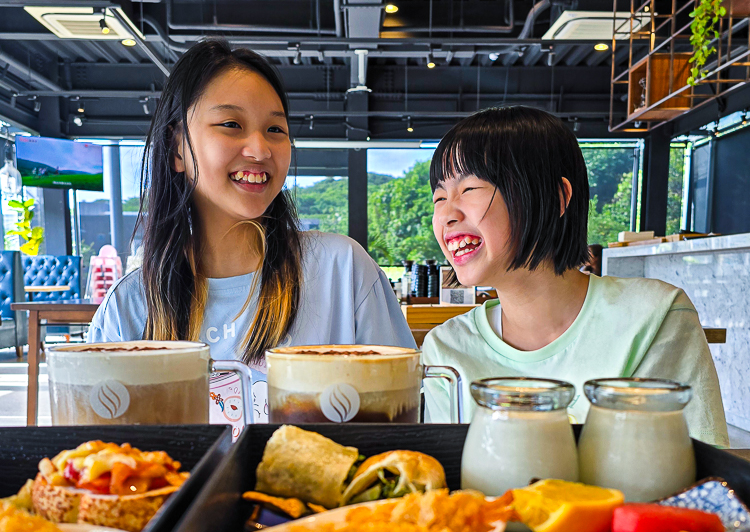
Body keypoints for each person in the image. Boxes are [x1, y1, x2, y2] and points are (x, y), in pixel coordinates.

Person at [88, 39, 414, 423]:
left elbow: (401, 421)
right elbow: (101, 458)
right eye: (231, 124)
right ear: (177, 148)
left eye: (275, 128)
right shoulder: (130, 307)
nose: (260, 149)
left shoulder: (341, 270)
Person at [422, 105, 728, 446]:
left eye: (468, 190)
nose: (446, 214)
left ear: (556, 197)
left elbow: (694, 477)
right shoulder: (446, 350)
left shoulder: (652, 317)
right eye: (438, 197)